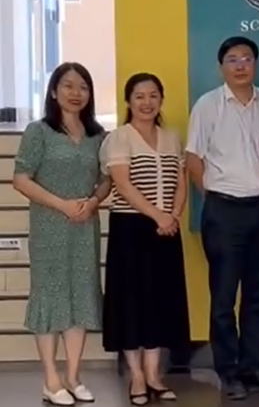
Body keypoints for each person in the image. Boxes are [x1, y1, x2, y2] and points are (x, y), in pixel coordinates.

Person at [185, 36, 259, 399]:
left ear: (255, 64)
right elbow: (193, 158)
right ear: (221, 67)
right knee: (224, 297)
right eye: (232, 59)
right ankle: (228, 373)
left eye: (246, 58)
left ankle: (253, 369)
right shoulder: (208, 105)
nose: (240, 65)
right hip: (224, 210)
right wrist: (214, 196)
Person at [12, 62, 111, 405]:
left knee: (81, 294)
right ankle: (51, 380)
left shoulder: (98, 136)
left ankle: (73, 376)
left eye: (83, 86)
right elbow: (21, 178)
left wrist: (93, 201)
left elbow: (106, 179)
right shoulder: (38, 131)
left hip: (84, 226)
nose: (76, 93)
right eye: (68, 85)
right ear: (54, 91)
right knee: (50, 296)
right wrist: (62, 205)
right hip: (49, 225)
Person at [100, 73, 189, 405]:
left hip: (166, 230)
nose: (147, 102)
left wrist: (173, 215)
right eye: (139, 96)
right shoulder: (119, 137)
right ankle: (136, 377)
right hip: (131, 229)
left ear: (161, 99)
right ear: (128, 101)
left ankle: (154, 375)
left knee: (159, 302)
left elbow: (181, 181)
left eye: (153, 95)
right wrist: (157, 215)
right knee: (131, 302)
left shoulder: (172, 138)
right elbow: (123, 185)